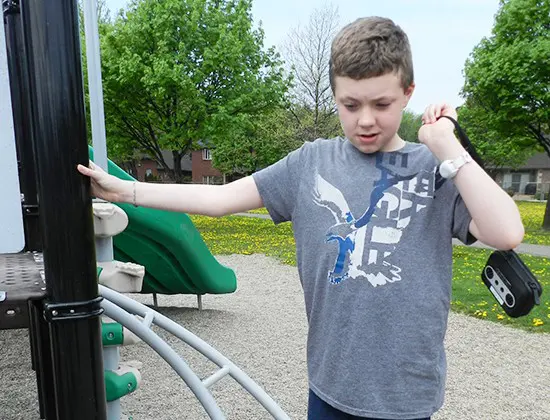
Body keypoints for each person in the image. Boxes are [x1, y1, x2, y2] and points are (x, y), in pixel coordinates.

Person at [78, 16, 524, 420]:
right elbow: (224, 197)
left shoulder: (434, 168)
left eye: (382, 104)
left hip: (407, 394)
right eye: (350, 105)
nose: (365, 120)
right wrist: (128, 190)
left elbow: (506, 232)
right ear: (334, 95)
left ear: (408, 93)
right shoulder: (310, 163)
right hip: (329, 387)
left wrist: (449, 148)